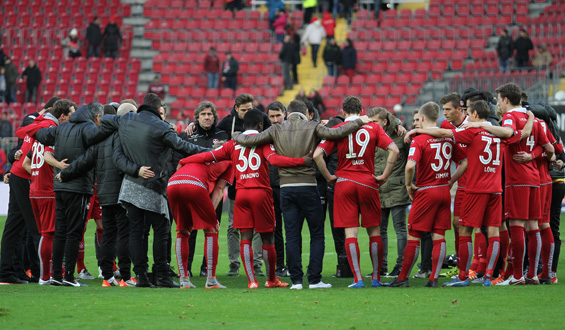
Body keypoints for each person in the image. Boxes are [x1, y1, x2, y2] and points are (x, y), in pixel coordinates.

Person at [234, 100, 372, 290]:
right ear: (306, 112)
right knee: (316, 234)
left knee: (291, 235)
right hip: (308, 185)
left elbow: (250, 140)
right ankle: (314, 280)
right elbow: (336, 133)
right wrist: (359, 121)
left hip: (286, 189)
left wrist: (235, 134)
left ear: (288, 112)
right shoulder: (312, 125)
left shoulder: (276, 128)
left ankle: (297, 281)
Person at [408, 101, 533, 287]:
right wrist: (530, 117)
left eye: (469, 113)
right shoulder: (500, 132)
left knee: (465, 231)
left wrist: (417, 132)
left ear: (474, 113)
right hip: (496, 189)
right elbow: (524, 134)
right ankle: (489, 275)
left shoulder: (472, 131)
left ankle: (463, 276)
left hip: (475, 189)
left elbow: (444, 133)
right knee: (494, 231)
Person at [185, 109, 314, 289]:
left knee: (245, 237)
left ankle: (252, 280)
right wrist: (301, 161)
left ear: (243, 126)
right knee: (268, 237)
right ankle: (271, 280)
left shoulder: (233, 143)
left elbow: (209, 156)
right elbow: (275, 160)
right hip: (261, 193)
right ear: (261, 126)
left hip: (241, 193)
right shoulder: (263, 142)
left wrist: (185, 162)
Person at [98, 93, 211, 288]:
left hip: (130, 185)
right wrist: (211, 152)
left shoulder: (126, 119)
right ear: (159, 110)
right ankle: (162, 276)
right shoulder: (161, 126)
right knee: (161, 231)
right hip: (153, 185)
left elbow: (104, 119)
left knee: (136, 231)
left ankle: (141, 276)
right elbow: (182, 146)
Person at [55, 104, 149, 287]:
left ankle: (107, 277)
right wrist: (137, 170)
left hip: (103, 192)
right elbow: (121, 161)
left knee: (107, 234)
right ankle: (125, 276)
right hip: (121, 191)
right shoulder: (123, 137)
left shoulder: (98, 139)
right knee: (124, 233)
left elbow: (84, 161)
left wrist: (65, 174)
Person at [314, 97, 399, 288]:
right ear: (362, 110)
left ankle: (357, 278)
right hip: (368, 182)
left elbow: (317, 155)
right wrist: (384, 175)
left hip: (344, 183)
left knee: (350, 232)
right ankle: (376, 278)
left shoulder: (337, 130)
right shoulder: (374, 128)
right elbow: (394, 150)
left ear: (343, 111)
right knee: (374, 231)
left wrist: (328, 176)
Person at [481, 83, 554, 285]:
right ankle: (532, 274)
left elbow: (510, 136)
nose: (498, 104)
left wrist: (484, 126)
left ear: (506, 100)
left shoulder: (511, 117)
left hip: (517, 180)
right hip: (534, 179)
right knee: (533, 225)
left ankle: (518, 275)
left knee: (516, 226)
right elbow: (548, 149)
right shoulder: (536, 120)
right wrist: (532, 155)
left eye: (499, 100)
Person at [386, 102, 465, 288]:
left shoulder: (420, 139)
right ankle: (433, 279)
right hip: (444, 191)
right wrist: (451, 180)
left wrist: (408, 185)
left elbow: (410, 165)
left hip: (426, 190)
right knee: (439, 235)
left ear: (421, 118)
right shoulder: (447, 138)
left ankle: (402, 278)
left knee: (414, 235)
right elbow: (464, 161)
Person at [0, 97, 60, 284]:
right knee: (37, 228)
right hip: (25, 176)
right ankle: (44, 274)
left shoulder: (35, 122)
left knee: (14, 225)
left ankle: (7, 272)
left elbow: (23, 147)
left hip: (18, 174)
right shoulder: (47, 125)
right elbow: (31, 155)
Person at [18, 99, 77, 285]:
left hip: (35, 189)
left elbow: (26, 163)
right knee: (49, 233)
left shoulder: (40, 131)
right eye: (71, 115)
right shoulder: (52, 130)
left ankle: (48, 273)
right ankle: (46, 276)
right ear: (62, 116)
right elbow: (46, 155)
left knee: (46, 233)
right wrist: (59, 166)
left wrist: (36, 176)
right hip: (47, 190)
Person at [176, 101, 229, 277]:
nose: (207, 117)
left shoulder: (223, 136)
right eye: (203, 114)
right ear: (197, 118)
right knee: (189, 229)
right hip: (193, 188)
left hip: (215, 189)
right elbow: (179, 161)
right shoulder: (187, 136)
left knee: (212, 226)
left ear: (214, 117)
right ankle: (187, 267)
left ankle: (207, 268)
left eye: (210, 114)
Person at [169, 158, 232, 289]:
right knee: (211, 228)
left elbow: (179, 166)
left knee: (183, 230)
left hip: (173, 183)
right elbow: (219, 189)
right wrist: (212, 216)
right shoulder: (230, 163)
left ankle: (184, 280)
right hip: (194, 184)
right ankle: (211, 280)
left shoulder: (202, 155)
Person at [368, 107, 410, 278]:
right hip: (378, 188)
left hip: (397, 187)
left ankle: (400, 267)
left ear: (384, 122)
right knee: (380, 230)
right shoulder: (371, 135)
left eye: (375, 122)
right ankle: (381, 267)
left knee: (399, 228)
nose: (371, 125)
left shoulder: (401, 136)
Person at [438, 92, 468, 277]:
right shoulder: (445, 125)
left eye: (448, 109)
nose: (445, 113)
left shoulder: (471, 125)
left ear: (459, 109)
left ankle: (480, 267)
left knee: (482, 227)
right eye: (443, 110)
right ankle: (460, 263)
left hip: (479, 183)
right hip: (460, 181)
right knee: (457, 224)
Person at [266, 102, 288, 276]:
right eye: (271, 116)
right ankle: (280, 265)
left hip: (288, 186)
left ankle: (294, 265)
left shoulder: (293, 133)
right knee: (276, 230)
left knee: (292, 229)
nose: (275, 120)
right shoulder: (264, 136)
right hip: (270, 188)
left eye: (277, 115)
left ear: (285, 114)